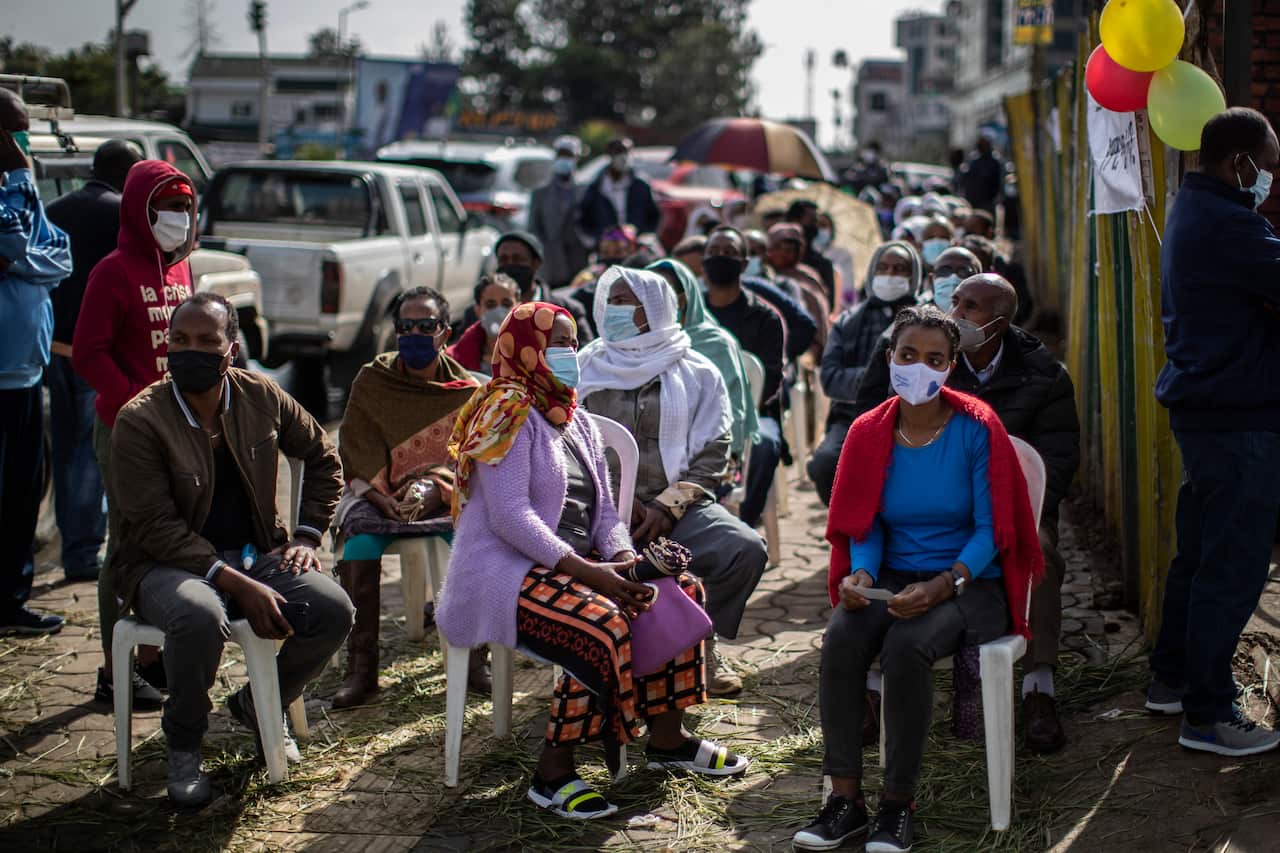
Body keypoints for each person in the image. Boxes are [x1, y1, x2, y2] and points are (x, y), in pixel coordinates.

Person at [437, 301, 748, 819]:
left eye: (573, 342)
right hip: (503, 571)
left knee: (676, 591)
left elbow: (605, 514)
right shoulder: (506, 410)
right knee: (599, 622)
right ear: (525, 348)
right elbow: (510, 518)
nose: (569, 353)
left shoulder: (572, 414)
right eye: (557, 342)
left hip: (577, 565)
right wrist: (594, 576)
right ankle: (552, 771)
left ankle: (668, 741)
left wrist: (628, 563)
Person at [793, 306, 1042, 852]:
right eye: (909, 356)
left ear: (951, 367)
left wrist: (944, 584)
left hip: (970, 583)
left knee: (907, 648)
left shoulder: (977, 428)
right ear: (891, 358)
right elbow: (866, 521)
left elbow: (989, 530)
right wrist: (861, 572)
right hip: (893, 576)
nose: (919, 368)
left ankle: (897, 806)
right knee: (841, 638)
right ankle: (845, 801)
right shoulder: (868, 430)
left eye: (934, 359)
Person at [110, 292, 351, 805]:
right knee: (199, 615)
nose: (189, 351)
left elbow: (323, 455)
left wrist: (308, 535)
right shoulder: (139, 420)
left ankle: (261, 703)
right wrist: (237, 583)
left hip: (255, 552)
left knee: (333, 608)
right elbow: (155, 527)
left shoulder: (259, 395)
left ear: (231, 349)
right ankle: (184, 743)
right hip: (163, 564)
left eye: (205, 341)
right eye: (179, 340)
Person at [852, 274, 1080, 753]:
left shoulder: (1042, 374)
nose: (955, 313)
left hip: (1012, 505)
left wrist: (1006, 510)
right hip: (930, 497)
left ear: (999, 322)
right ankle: (872, 689)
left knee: (1040, 551)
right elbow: (878, 424)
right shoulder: (931, 360)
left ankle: (1039, 684)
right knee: (876, 554)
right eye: (954, 301)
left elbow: (1054, 462)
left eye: (971, 307)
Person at [1146, 107, 1280, 757]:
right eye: (1268, 166)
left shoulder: (1193, 209)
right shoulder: (1230, 223)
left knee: (1198, 557)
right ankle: (1209, 713)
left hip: (1206, 411)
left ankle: (1172, 677)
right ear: (1241, 163)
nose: (1269, 179)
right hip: (1236, 417)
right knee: (1231, 566)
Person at [578, 267, 768, 695]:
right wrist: (615, 500)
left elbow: (716, 451)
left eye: (628, 303)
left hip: (675, 507)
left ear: (657, 309)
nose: (615, 311)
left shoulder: (698, 371)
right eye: (612, 300)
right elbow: (567, 446)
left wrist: (668, 506)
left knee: (744, 549)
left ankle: (702, 643)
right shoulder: (584, 366)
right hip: (600, 509)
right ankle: (612, 652)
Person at [73, 160, 197, 705]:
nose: (178, 217)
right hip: (126, 434)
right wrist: (137, 402)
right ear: (140, 210)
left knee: (165, 545)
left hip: (178, 432)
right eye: (167, 207)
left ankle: (151, 660)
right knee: (124, 548)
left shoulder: (181, 271)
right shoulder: (113, 271)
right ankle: (112, 670)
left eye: (185, 207)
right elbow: (87, 352)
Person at [331, 287, 480, 708]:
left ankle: (475, 661)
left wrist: (436, 487)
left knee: (475, 538)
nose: (414, 334)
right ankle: (362, 670)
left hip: (442, 497)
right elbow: (355, 451)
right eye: (405, 327)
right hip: (376, 493)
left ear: (445, 332)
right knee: (359, 543)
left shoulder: (464, 390)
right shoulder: (373, 381)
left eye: (426, 326)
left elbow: (470, 460)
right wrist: (381, 499)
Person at [44, 140, 142, 584]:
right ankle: (86, 552)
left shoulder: (58, 208)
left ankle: (75, 545)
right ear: (129, 173)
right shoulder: (123, 213)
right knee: (96, 452)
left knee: (67, 451)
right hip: (102, 355)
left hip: (55, 348)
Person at [0, 89, 73, 637]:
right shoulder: (14, 191)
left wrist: (21, 259)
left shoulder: (20, 194)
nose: (26, 143)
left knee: (24, 494)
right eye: (17, 132)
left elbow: (60, 256)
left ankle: (11, 601)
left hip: (27, 375)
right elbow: (15, 245)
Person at [807, 242, 923, 506]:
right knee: (826, 464)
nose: (890, 275)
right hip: (851, 417)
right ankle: (848, 525)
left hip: (911, 419)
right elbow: (831, 379)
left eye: (899, 269)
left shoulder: (925, 320)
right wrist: (881, 378)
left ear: (913, 277)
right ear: (872, 273)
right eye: (883, 268)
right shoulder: (849, 322)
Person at [703, 227, 788, 530]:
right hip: (696, 415)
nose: (721, 258)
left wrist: (734, 415)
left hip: (754, 414)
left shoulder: (765, 317)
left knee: (764, 445)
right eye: (714, 252)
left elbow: (772, 379)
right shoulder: (693, 314)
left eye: (729, 252)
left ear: (744, 262)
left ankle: (744, 527)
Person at [647, 258, 757, 459]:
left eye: (663, 293)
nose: (654, 302)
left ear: (683, 299)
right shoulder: (634, 346)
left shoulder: (716, 344)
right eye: (648, 294)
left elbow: (731, 415)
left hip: (708, 458)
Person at [527, 135, 589, 289]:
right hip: (551, 265)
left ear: (576, 158)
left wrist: (586, 242)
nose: (564, 160)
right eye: (561, 155)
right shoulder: (540, 192)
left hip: (578, 262)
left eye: (568, 156)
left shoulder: (585, 190)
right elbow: (533, 227)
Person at [579, 138, 661, 243]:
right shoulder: (596, 188)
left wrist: (644, 235)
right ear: (610, 156)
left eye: (626, 152)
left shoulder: (641, 186)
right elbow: (584, 218)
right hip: (607, 248)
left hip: (634, 245)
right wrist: (596, 238)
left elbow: (654, 215)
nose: (623, 157)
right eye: (618, 152)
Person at [447, 273, 521, 375]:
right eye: (490, 304)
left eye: (506, 304)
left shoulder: (536, 354)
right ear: (477, 310)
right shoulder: (454, 360)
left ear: (519, 307)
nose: (498, 311)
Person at [784, 199, 836, 301]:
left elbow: (828, 302)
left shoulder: (822, 264)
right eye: (812, 221)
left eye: (817, 222)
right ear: (794, 221)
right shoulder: (775, 257)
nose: (816, 227)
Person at [957, 136, 1004, 214]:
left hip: (987, 203)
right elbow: (966, 178)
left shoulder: (994, 162)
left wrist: (994, 200)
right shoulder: (974, 160)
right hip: (973, 203)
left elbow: (998, 183)